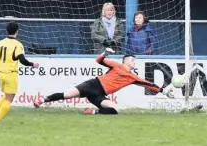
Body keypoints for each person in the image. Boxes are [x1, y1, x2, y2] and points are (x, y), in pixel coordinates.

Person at [34, 48, 175, 114]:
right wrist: (105, 53)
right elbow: (98, 60)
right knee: (66, 95)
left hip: (100, 94)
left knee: (114, 109)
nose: (134, 62)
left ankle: (92, 112)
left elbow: (148, 84)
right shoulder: (116, 65)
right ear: (126, 61)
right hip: (93, 84)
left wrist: (164, 91)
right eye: (132, 60)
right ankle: (42, 100)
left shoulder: (133, 77)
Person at [0, 22, 39, 125]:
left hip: (1, 74)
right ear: (17, 32)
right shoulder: (17, 45)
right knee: (10, 98)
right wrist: (32, 64)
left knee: (7, 95)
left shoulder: (0, 43)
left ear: (6, 31)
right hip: (10, 74)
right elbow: (22, 60)